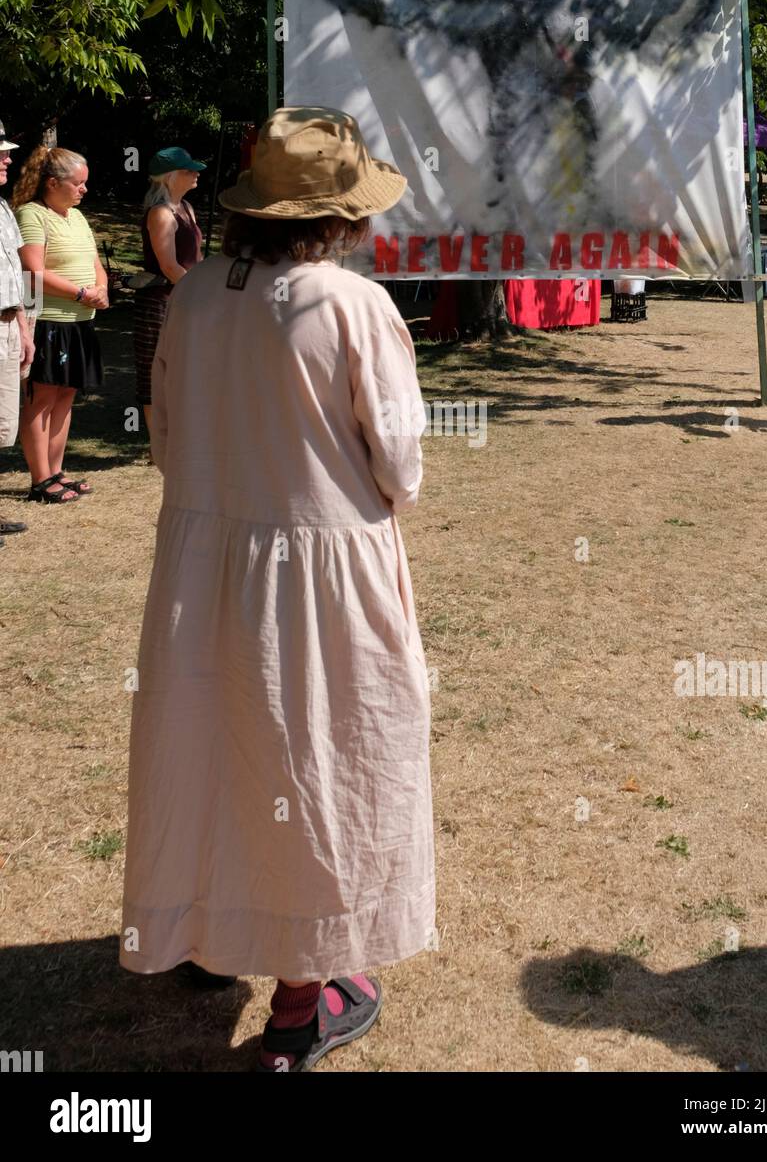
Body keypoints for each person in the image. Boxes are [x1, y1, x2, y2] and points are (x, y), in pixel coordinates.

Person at [120, 107, 435, 1072]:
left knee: (217, 745)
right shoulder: (351, 305)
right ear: (335, 215)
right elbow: (400, 461)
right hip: (321, 572)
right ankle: (303, 992)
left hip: (205, 565)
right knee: (314, 755)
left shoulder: (199, 295)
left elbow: (166, 437)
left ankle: (216, 930)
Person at [13, 145, 107, 501]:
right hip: (50, 321)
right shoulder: (32, 215)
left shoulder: (78, 217)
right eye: (78, 183)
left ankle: (56, 471)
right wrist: (82, 293)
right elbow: (33, 272)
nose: (84, 189)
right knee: (42, 399)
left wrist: (101, 289)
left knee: (66, 397)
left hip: (81, 321)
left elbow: (95, 261)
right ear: (52, 183)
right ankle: (40, 481)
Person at [133, 147, 205, 445]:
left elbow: (195, 259)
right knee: (156, 371)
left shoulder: (186, 208)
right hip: (161, 300)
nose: (196, 174)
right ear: (170, 177)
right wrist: (199, 294)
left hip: (185, 298)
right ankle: (159, 444)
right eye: (189, 170)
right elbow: (169, 265)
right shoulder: (160, 214)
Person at [0, 119, 34, 544]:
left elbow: (17, 274)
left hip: (9, 324)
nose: (8, 157)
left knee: (2, 424)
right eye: (1, 152)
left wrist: (24, 327)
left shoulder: (5, 207)